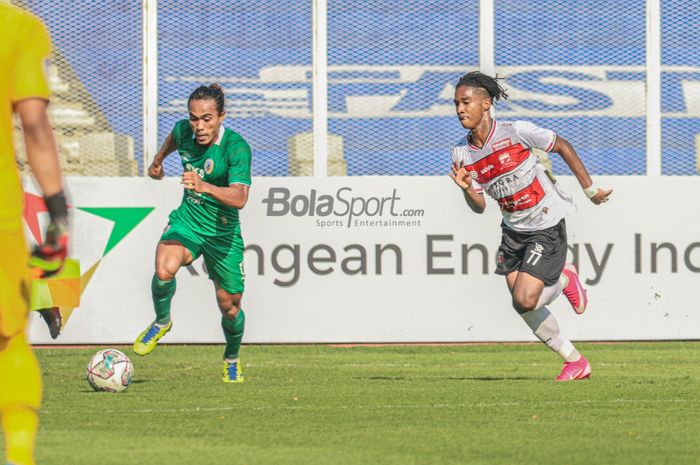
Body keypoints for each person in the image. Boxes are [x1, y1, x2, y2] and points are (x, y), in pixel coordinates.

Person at [448, 71, 612, 381]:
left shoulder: (517, 132)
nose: (459, 109)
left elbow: (562, 145)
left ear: (485, 104)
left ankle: (564, 279)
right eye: (456, 103)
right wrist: (467, 189)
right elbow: (480, 206)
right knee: (522, 305)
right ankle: (575, 361)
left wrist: (590, 191)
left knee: (525, 297)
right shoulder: (461, 152)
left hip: (545, 222)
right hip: (513, 230)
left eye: (466, 102)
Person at [133, 84, 252, 383]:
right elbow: (174, 137)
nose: (199, 126)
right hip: (188, 221)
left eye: (207, 119)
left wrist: (205, 186)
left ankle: (231, 358)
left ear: (222, 116)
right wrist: (158, 161)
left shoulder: (236, 147)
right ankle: (162, 322)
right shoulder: (183, 130)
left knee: (230, 306)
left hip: (222, 234)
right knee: (164, 268)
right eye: (194, 118)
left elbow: (239, 198)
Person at [0, 4, 69, 465]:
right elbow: (35, 123)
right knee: (10, 342)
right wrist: (59, 212)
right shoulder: (16, 26)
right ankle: (21, 455)